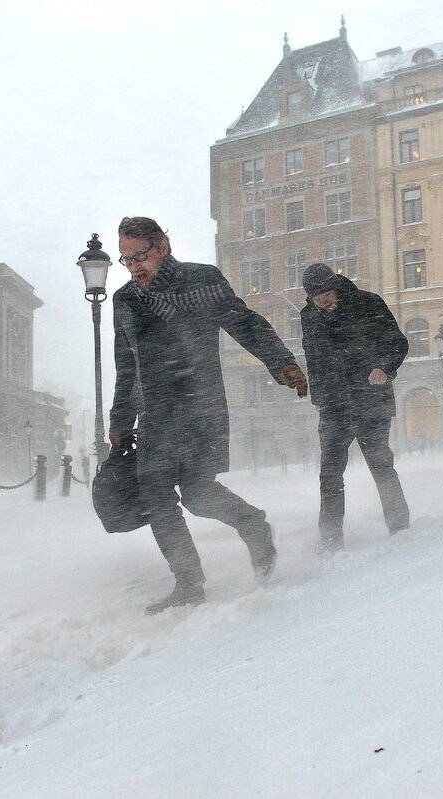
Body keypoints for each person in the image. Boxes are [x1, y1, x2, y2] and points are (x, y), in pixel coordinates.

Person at [109, 216, 308, 614]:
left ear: (163, 246)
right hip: (155, 414)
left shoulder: (202, 280)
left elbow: (245, 323)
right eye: (125, 260)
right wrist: (119, 419)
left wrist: (281, 362)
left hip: (199, 406)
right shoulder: (125, 300)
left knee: (198, 495)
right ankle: (189, 584)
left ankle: (252, 525)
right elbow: (125, 364)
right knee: (157, 498)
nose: (134, 268)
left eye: (140, 257)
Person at [300, 262, 411, 553]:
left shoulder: (368, 302)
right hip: (334, 406)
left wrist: (384, 369)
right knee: (329, 474)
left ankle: (400, 529)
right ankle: (330, 540)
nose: (323, 300)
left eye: (326, 292)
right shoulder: (309, 316)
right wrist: (319, 401)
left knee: (381, 466)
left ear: (335, 284)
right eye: (316, 296)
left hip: (371, 400)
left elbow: (397, 342)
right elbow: (314, 361)